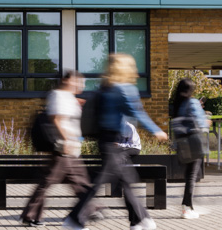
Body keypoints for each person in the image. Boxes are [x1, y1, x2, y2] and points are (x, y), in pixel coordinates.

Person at [63, 54, 168, 230]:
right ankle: (73, 219)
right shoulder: (124, 89)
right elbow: (138, 113)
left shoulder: (104, 87)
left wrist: (78, 139)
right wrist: (155, 130)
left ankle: (139, 221)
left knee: (125, 181)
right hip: (112, 143)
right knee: (100, 182)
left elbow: (91, 116)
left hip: (104, 141)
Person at [20, 70, 99, 227]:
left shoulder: (69, 97)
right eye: (78, 82)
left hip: (70, 148)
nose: (81, 86)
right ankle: (30, 215)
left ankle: (90, 209)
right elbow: (57, 119)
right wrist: (67, 140)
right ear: (67, 80)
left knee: (77, 181)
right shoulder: (59, 95)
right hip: (63, 149)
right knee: (50, 182)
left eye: (82, 83)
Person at [172, 78, 209, 219]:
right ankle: (187, 208)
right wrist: (206, 121)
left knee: (189, 176)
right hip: (194, 142)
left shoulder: (177, 104)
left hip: (182, 144)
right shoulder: (192, 102)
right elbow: (200, 122)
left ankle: (188, 206)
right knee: (192, 176)